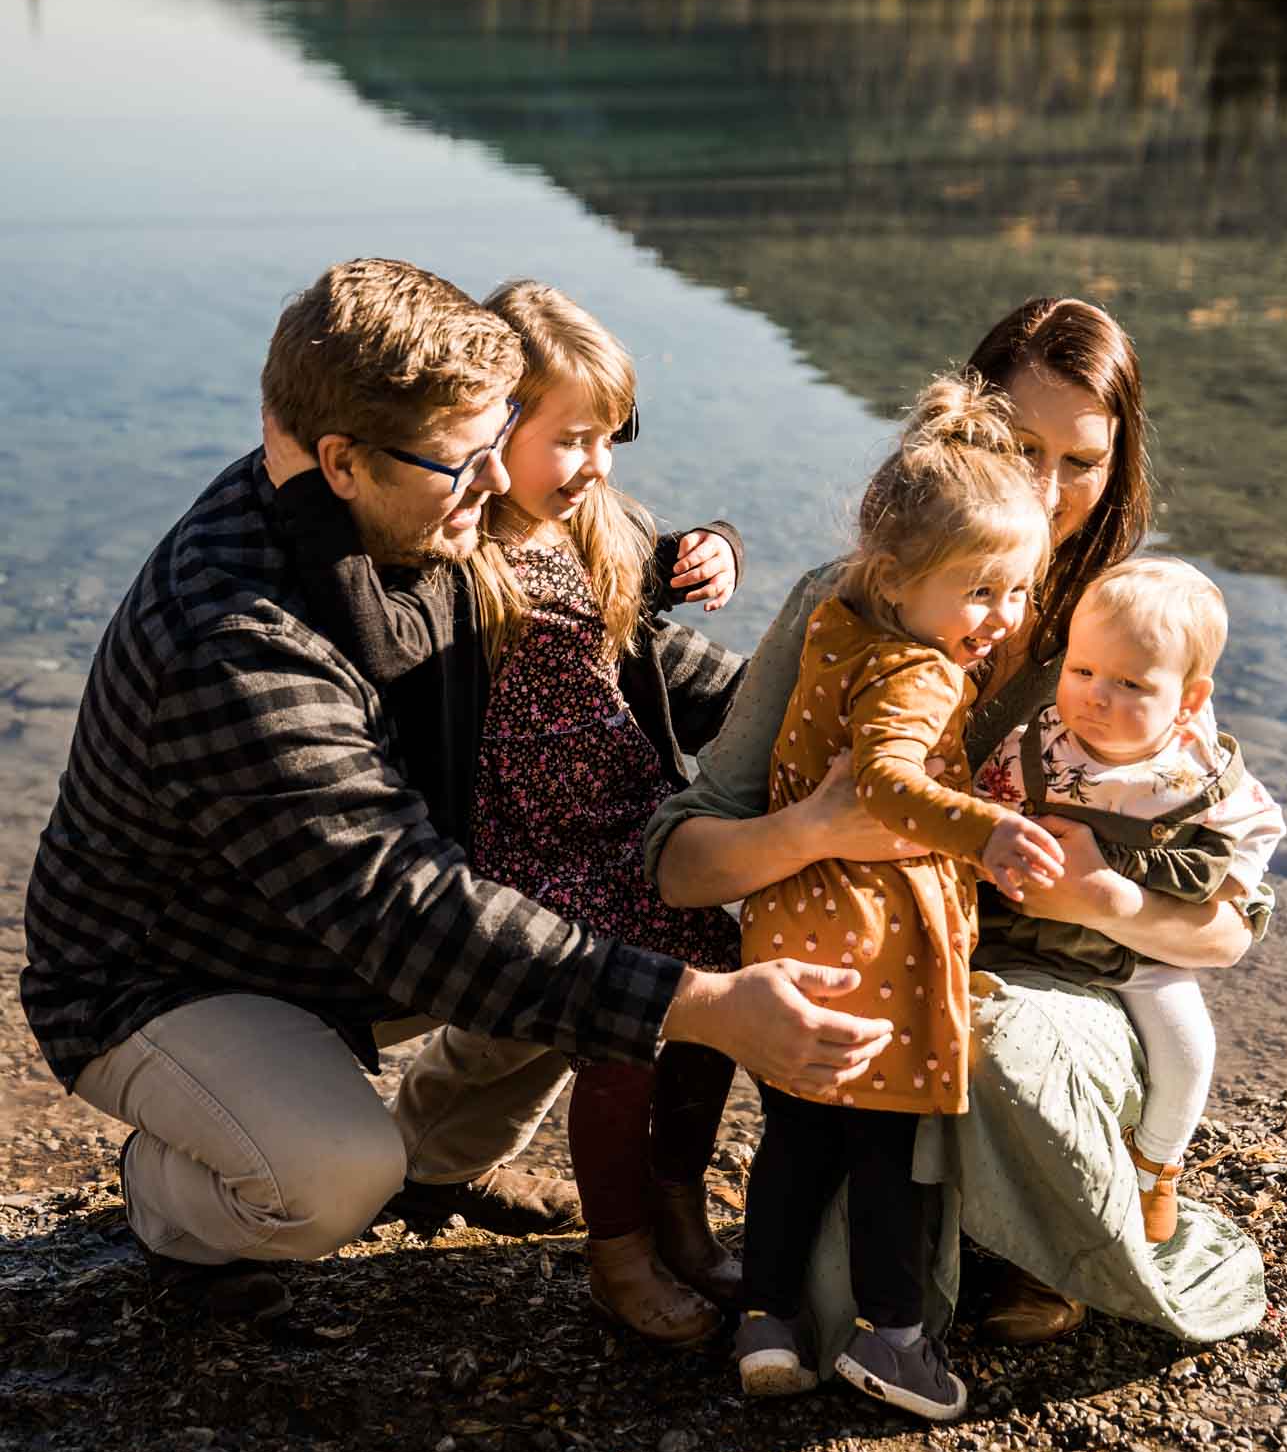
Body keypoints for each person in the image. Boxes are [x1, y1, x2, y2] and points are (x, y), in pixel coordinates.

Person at [21, 258, 895, 1326]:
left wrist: (823, 730)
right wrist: (699, 1006)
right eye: (466, 460)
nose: (495, 483)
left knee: (565, 925)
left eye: (498, 445)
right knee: (333, 1173)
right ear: (339, 461)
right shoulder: (232, 647)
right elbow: (407, 907)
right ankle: (172, 1204)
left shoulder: (397, 503)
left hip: (330, 931)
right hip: (172, 972)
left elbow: (616, 661)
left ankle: (434, 1162)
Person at [646, 296, 1270, 1352]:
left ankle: (1046, 1228)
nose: (1046, 486)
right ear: (960, 433)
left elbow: (1226, 926)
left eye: (1081, 460)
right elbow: (680, 859)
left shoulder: (1125, 633)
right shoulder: (842, 608)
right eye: (1020, 445)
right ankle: (723, 1217)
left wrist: (1098, 895)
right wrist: (817, 828)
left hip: (1041, 985)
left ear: (1117, 471)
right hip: (881, 973)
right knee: (841, 1299)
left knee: (997, 1045)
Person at [295, 277, 747, 1348]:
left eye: (611, 437)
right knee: (625, 1014)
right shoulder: (453, 546)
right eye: (571, 438)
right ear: (496, 433)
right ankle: (618, 1251)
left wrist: (712, 540)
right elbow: (359, 601)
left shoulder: (603, 524)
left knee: (715, 967)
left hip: (627, 812)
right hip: (524, 841)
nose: (593, 463)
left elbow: (652, 608)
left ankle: (676, 1202)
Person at [734, 375, 1056, 1418]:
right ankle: (895, 1338)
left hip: (794, 918)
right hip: (874, 941)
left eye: (1015, 591)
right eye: (979, 591)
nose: (999, 619)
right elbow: (885, 782)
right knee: (889, 1155)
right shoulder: (922, 673)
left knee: (795, 1140)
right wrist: (991, 828)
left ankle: (766, 1321)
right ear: (898, 570)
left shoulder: (839, 617)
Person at [974, 556, 1284, 1244]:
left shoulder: (1193, 771)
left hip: (1138, 946)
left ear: (1190, 698)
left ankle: (1155, 1167)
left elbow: (1255, 832)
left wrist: (1222, 885)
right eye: (1082, 671)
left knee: (1186, 1043)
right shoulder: (1037, 746)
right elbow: (979, 809)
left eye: (1130, 683)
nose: (1095, 697)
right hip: (1022, 929)